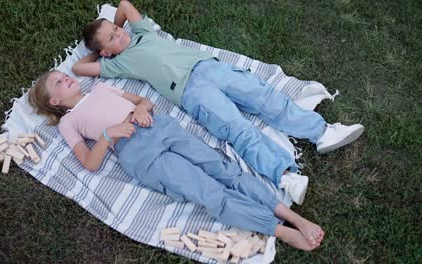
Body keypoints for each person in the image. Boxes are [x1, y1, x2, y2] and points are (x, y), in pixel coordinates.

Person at [71, 0, 365, 197]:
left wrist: (117, 28)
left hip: (209, 67)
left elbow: (123, 4)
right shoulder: (117, 63)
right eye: (111, 38)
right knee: (235, 127)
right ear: (106, 52)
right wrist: (101, 52)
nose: (118, 34)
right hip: (189, 91)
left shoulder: (142, 32)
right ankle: (285, 175)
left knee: (262, 95)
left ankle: (323, 132)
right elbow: (78, 67)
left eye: (115, 29)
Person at [27, 70, 325, 251]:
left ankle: (294, 217)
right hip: (139, 154)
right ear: (55, 101)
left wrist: (143, 108)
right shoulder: (68, 123)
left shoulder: (102, 88)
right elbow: (90, 163)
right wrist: (108, 134)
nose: (66, 77)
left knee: (225, 170)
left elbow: (143, 101)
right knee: (208, 192)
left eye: (63, 75)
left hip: (159, 127)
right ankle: (280, 231)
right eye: (59, 82)